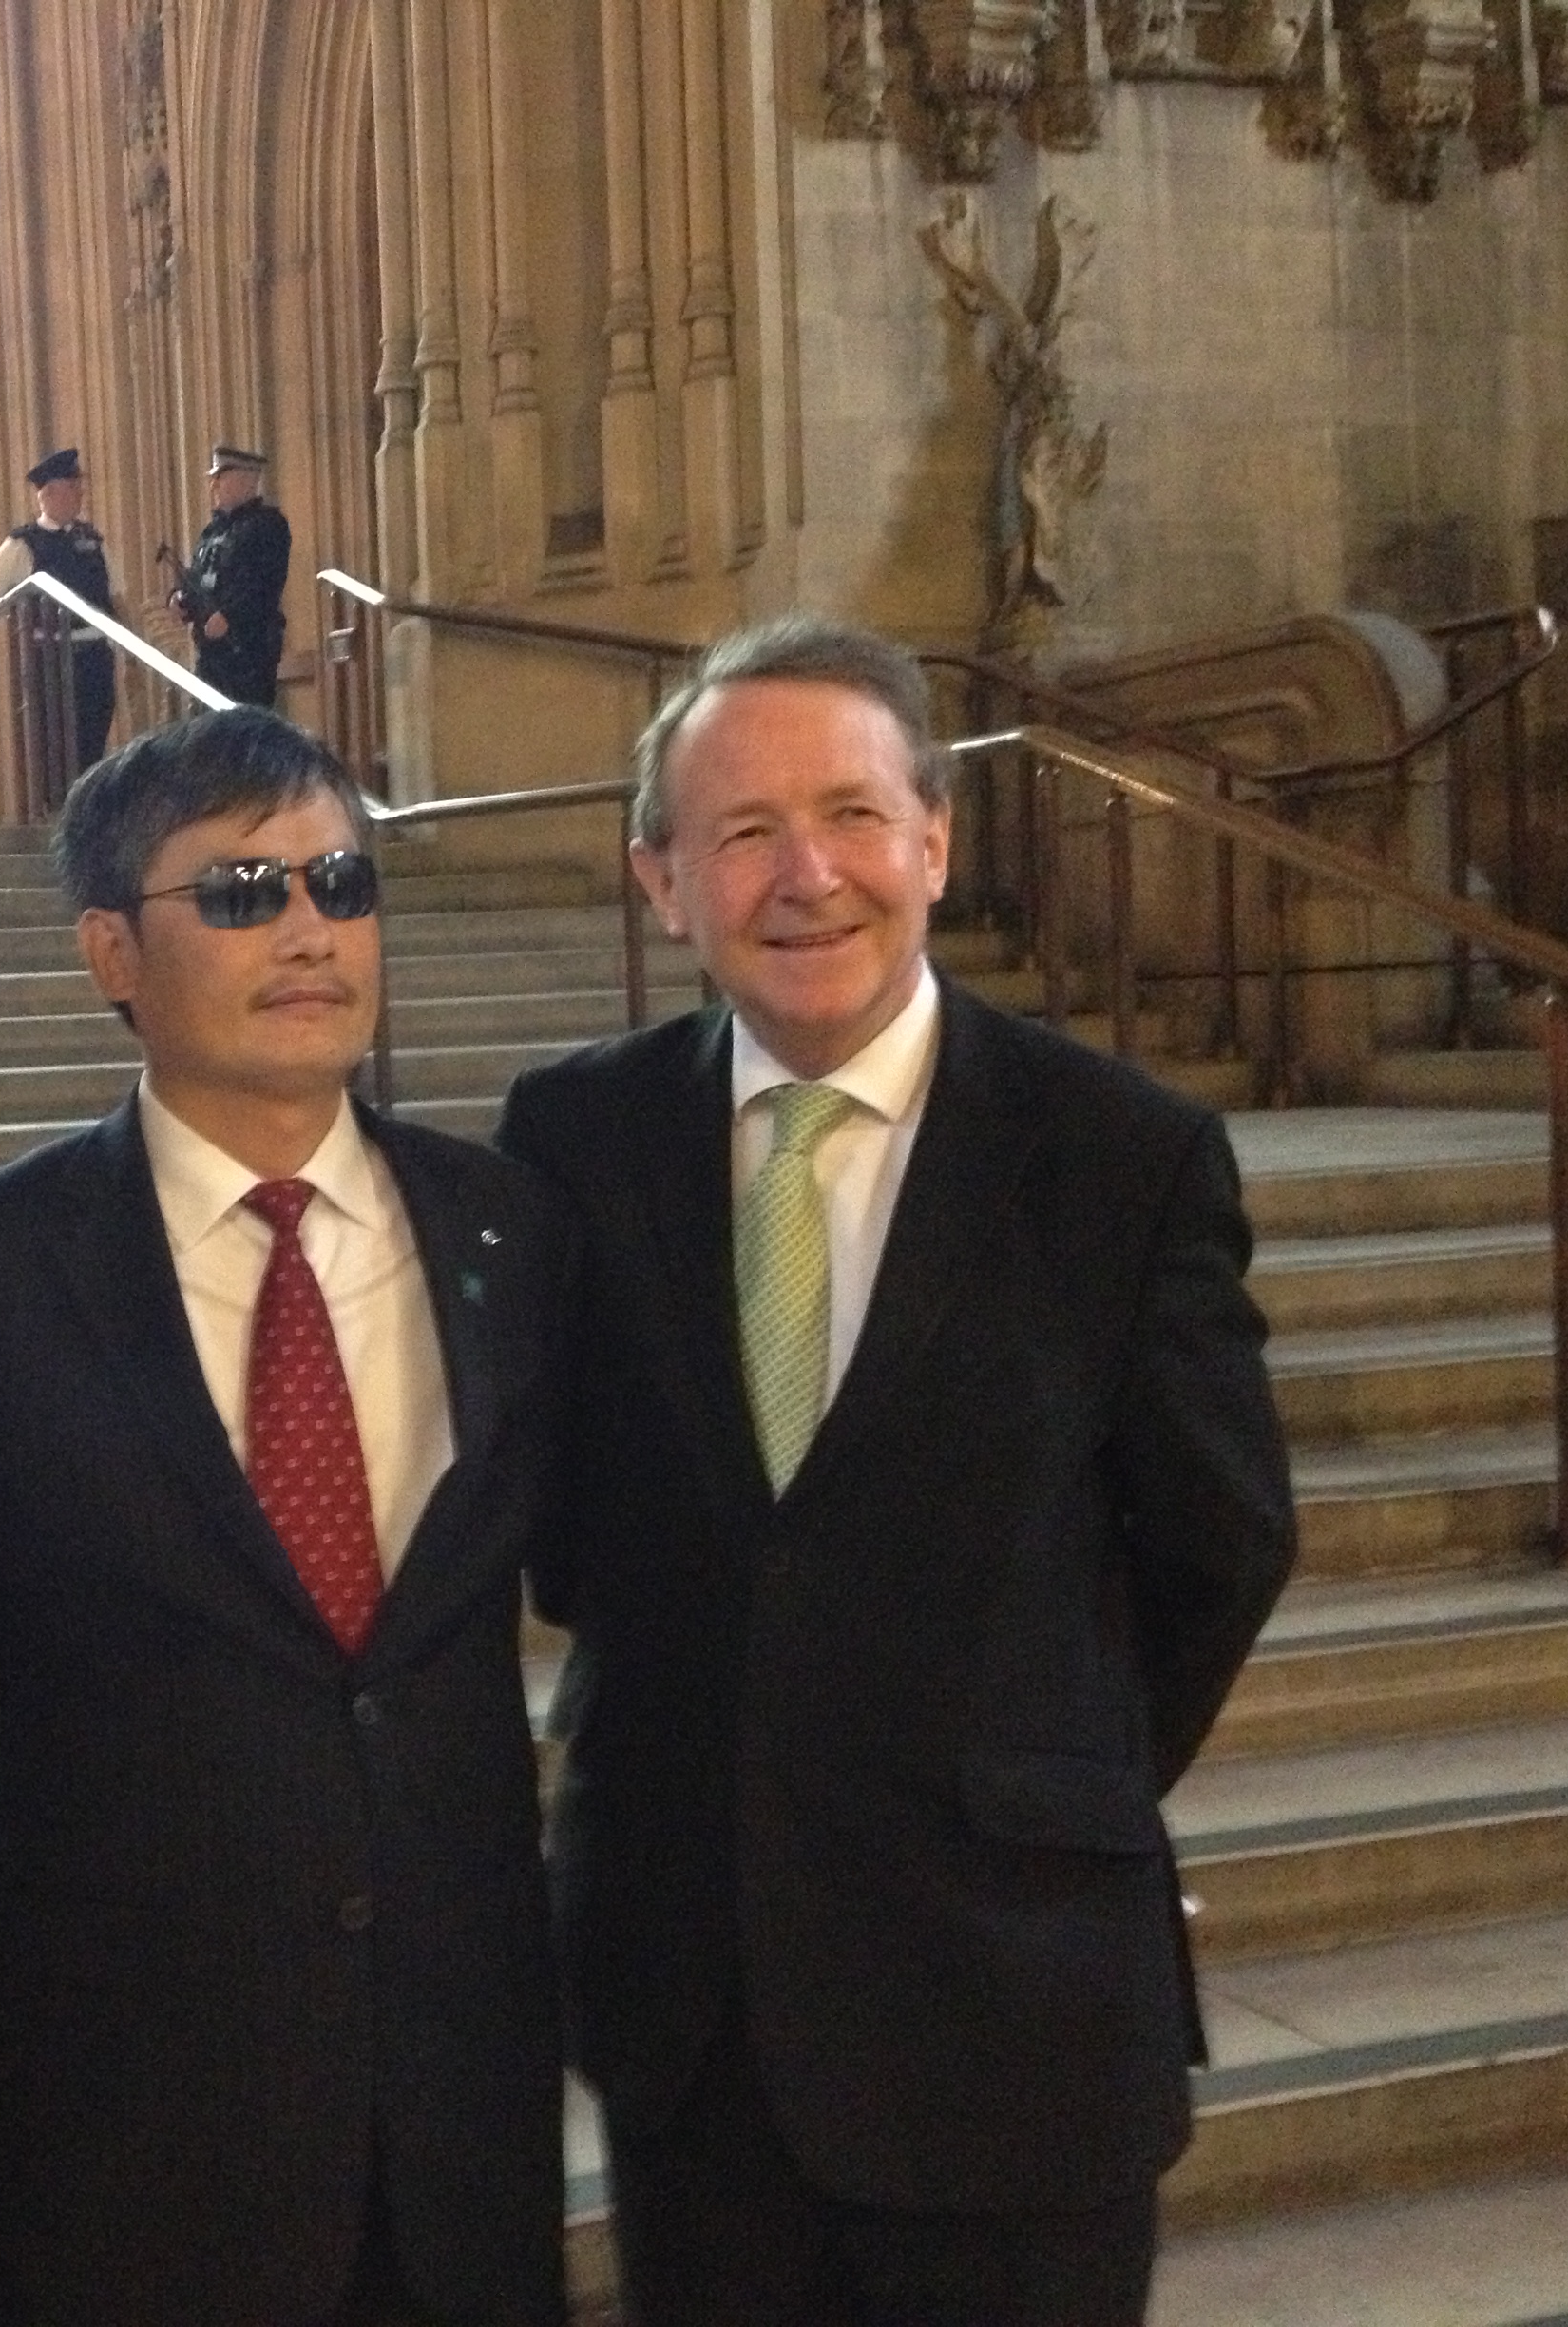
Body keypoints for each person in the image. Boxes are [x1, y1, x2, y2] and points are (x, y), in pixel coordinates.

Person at [494, 614, 1296, 2326]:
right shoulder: (573, 1139)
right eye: (739, 830)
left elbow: (1216, 1543)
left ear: (933, 838)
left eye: (853, 814)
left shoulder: (1116, 1157)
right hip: (689, 2012)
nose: (807, 874)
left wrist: (1035, 1769)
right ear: (658, 878)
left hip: (1011, 2009)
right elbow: (567, 1533)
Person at [0, 707, 573, 2327]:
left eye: (339, 881)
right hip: (122, 2116)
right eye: (238, 891)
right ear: (107, 951)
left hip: (454, 2100)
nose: (306, 929)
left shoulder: (509, 1231)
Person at [0, 447, 119, 794]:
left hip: (94, 656)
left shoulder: (92, 540)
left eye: (79, 487)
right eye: (72, 487)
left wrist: (132, 649)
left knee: (93, 748)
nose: (80, 494)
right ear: (47, 494)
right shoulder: (24, 543)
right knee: (55, 752)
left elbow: (117, 597)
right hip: (51, 661)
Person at [172, 443, 291, 708]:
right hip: (210, 653)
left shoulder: (267, 526)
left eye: (221, 478)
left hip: (247, 649)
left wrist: (230, 616)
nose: (213, 486)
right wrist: (181, 600)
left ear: (247, 480)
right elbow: (197, 577)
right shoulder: (211, 531)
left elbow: (263, 584)